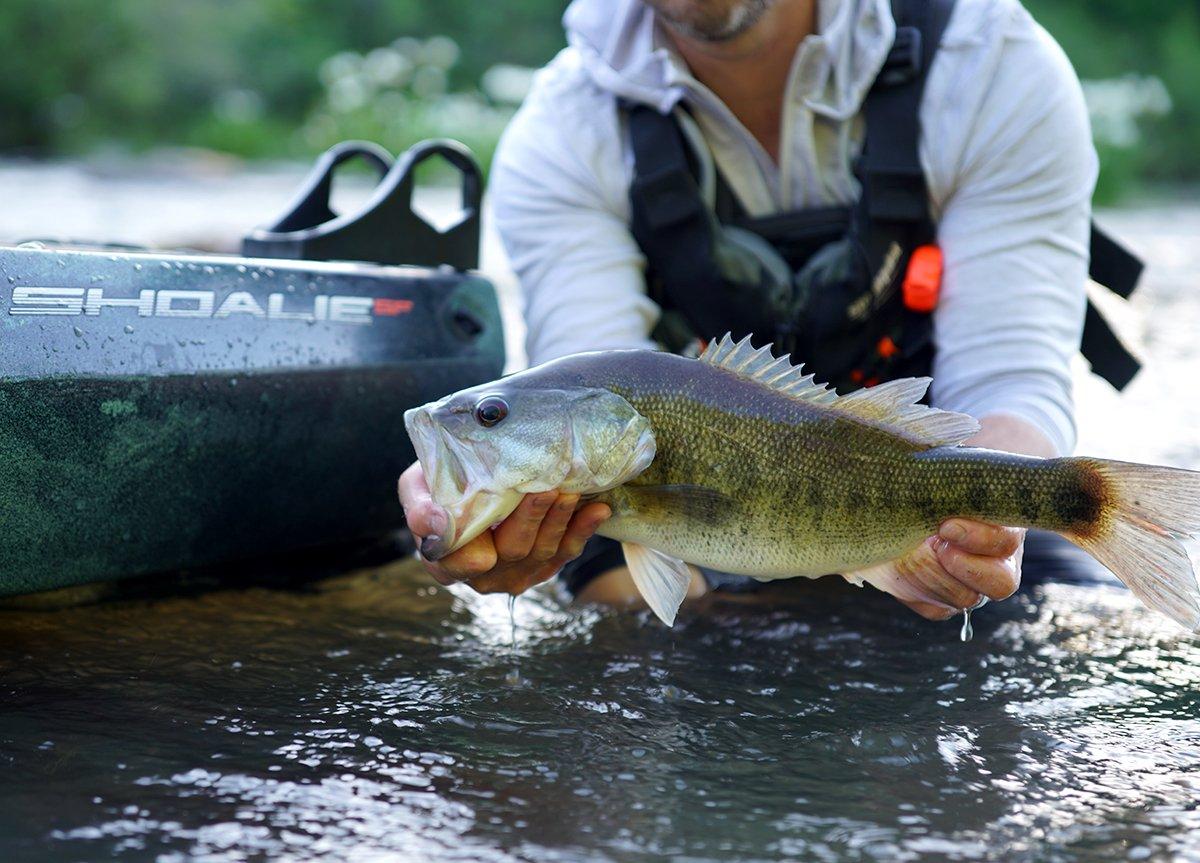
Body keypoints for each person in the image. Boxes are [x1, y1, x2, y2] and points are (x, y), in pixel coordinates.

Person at [399, 0, 1116, 621]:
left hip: (932, 484)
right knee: (620, 612)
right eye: (485, 417)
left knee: (1081, 617)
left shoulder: (992, 64)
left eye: (486, 417)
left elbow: (1011, 376)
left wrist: (978, 538)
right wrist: (482, 520)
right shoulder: (561, 133)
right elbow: (589, 369)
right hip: (696, 531)